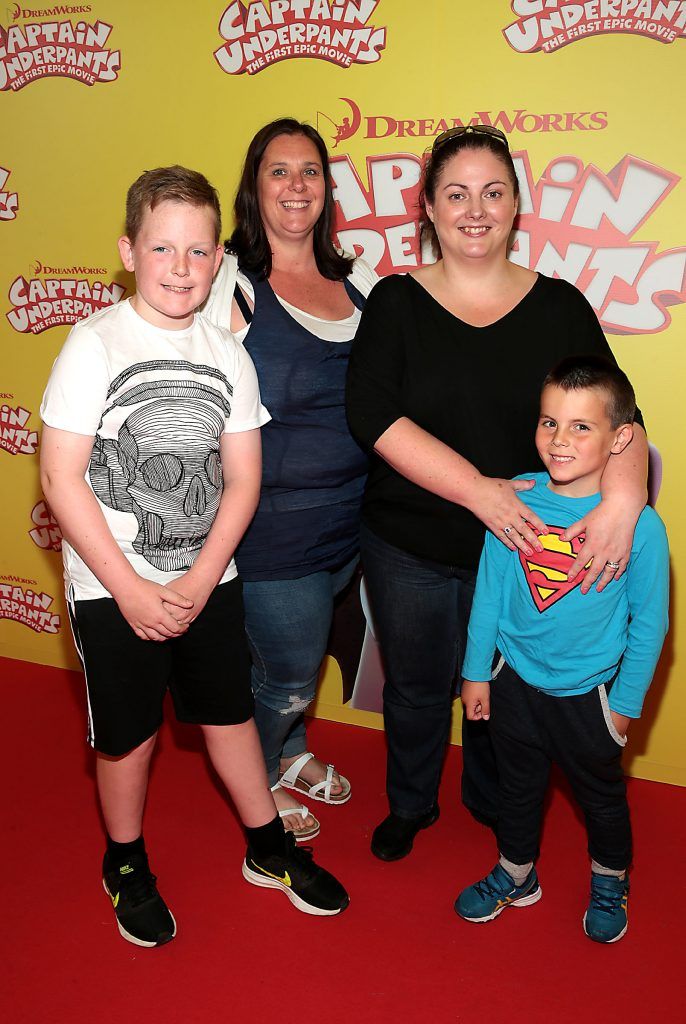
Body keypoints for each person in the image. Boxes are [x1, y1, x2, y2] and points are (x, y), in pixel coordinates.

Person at [40, 166, 349, 948]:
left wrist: (204, 576)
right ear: (129, 251)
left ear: (220, 259)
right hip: (114, 587)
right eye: (163, 248)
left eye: (199, 251)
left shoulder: (227, 351)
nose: (181, 267)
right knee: (130, 736)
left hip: (211, 576)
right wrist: (134, 592)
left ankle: (266, 847)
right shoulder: (95, 342)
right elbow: (60, 476)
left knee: (231, 716)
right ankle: (124, 862)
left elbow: (243, 476)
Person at [345, 125, 649, 862]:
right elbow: (373, 416)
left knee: (508, 695)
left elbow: (625, 422)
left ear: (516, 205)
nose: (474, 209)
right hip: (410, 543)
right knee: (416, 689)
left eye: (492, 192)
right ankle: (411, 805)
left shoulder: (560, 307)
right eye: (456, 193)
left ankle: (494, 803)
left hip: (523, 552)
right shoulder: (393, 302)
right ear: (428, 207)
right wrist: (480, 492)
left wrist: (622, 505)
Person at [202, 119, 378, 840]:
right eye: (280, 171)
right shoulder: (230, 284)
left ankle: (291, 751)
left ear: (327, 187)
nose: (297, 186)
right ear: (254, 186)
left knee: (292, 664)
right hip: (270, 528)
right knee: (291, 672)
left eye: (310, 171)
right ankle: (259, 775)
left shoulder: (358, 280)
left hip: (351, 525)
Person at [455, 356, 668, 943]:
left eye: (581, 426)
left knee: (602, 802)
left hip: (590, 696)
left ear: (620, 437)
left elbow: (650, 627)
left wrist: (622, 706)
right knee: (517, 790)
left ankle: (609, 878)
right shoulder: (515, 500)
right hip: (514, 684)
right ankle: (517, 872)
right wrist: (477, 674)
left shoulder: (640, 529)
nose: (560, 440)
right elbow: (491, 597)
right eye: (549, 422)